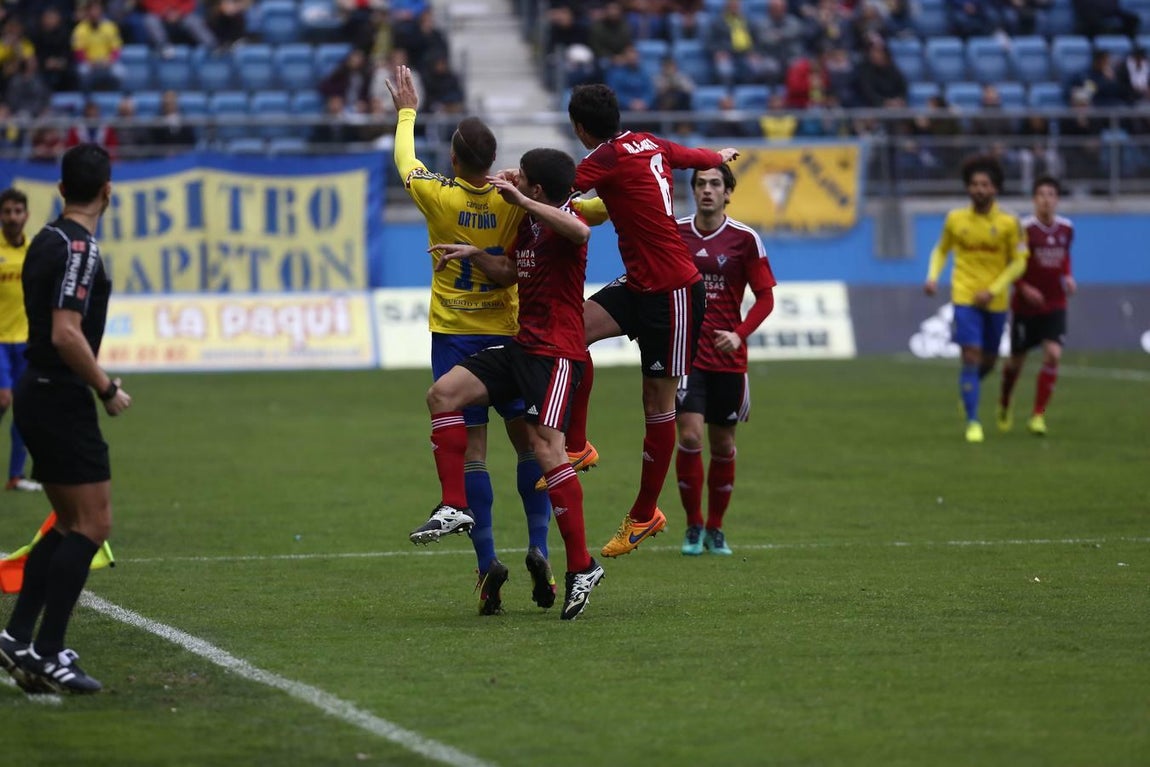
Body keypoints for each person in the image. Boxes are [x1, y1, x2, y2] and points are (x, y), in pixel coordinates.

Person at [385, 65, 554, 613]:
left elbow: (405, 163)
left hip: (456, 338)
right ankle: (539, 546)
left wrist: (406, 111)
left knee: (473, 456)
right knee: (527, 445)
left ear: (455, 160)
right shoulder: (513, 200)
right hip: (507, 334)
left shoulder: (437, 196)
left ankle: (486, 566)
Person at [425, 149, 605, 619]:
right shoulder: (525, 226)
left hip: (558, 356)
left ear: (537, 190)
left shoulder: (560, 218)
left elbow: (581, 230)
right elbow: (508, 272)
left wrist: (522, 201)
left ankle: (582, 566)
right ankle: (453, 505)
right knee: (443, 393)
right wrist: (474, 254)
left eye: (521, 176)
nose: (512, 178)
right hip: (522, 348)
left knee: (548, 451)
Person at [563, 82, 738, 557]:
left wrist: (518, 184)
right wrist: (716, 154)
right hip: (640, 284)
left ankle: (644, 514)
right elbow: (693, 155)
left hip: (675, 295)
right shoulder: (648, 143)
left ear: (579, 128)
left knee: (656, 403)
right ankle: (577, 444)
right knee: (570, 333)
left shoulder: (605, 158)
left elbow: (562, 186)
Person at [0, 144, 132, 695]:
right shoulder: (80, 247)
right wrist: (106, 387)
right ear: (107, 191)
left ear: (58, 191)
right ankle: (49, 652)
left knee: (65, 521)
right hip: (61, 394)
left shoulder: (46, 239)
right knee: (92, 526)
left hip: (38, 390)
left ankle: (16, 638)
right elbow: (65, 332)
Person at [674, 166, 776, 557]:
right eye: (700, 184)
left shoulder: (745, 239)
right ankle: (693, 525)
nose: (707, 190)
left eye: (715, 184)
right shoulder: (676, 232)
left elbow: (765, 297)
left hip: (729, 360)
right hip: (687, 355)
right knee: (689, 436)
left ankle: (716, 527)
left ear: (728, 193)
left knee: (722, 444)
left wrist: (739, 333)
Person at [924, 154, 1028, 443]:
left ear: (995, 189)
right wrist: (932, 276)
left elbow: (1019, 262)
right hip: (964, 295)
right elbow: (942, 249)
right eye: (974, 184)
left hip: (994, 299)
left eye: (985, 184)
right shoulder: (956, 219)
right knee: (970, 355)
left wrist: (994, 290)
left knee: (990, 360)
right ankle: (973, 421)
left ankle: (969, 390)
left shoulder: (1010, 223)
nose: (979, 189)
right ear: (968, 188)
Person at [998, 176, 1075, 437]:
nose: (1046, 199)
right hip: (1025, 307)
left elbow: (1064, 258)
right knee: (1015, 363)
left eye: (1051, 194)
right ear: (1034, 199)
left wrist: (1068, 276)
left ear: (1057, 199)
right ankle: (1005, 402)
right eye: (1041, 194)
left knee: (1053, 353)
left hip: (1055, 303)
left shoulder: (1066, 228)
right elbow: (1011, 263)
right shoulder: (1023, 229)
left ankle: (1038, 416)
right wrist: (1023, 288)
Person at [0, 189, 41, 492]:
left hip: (25, 342)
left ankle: (16, 476)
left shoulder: (34, 251)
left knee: (25, 410)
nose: (12, 217)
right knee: (3, 399)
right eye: (7, 211)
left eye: (18, 211)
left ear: (26, 215)